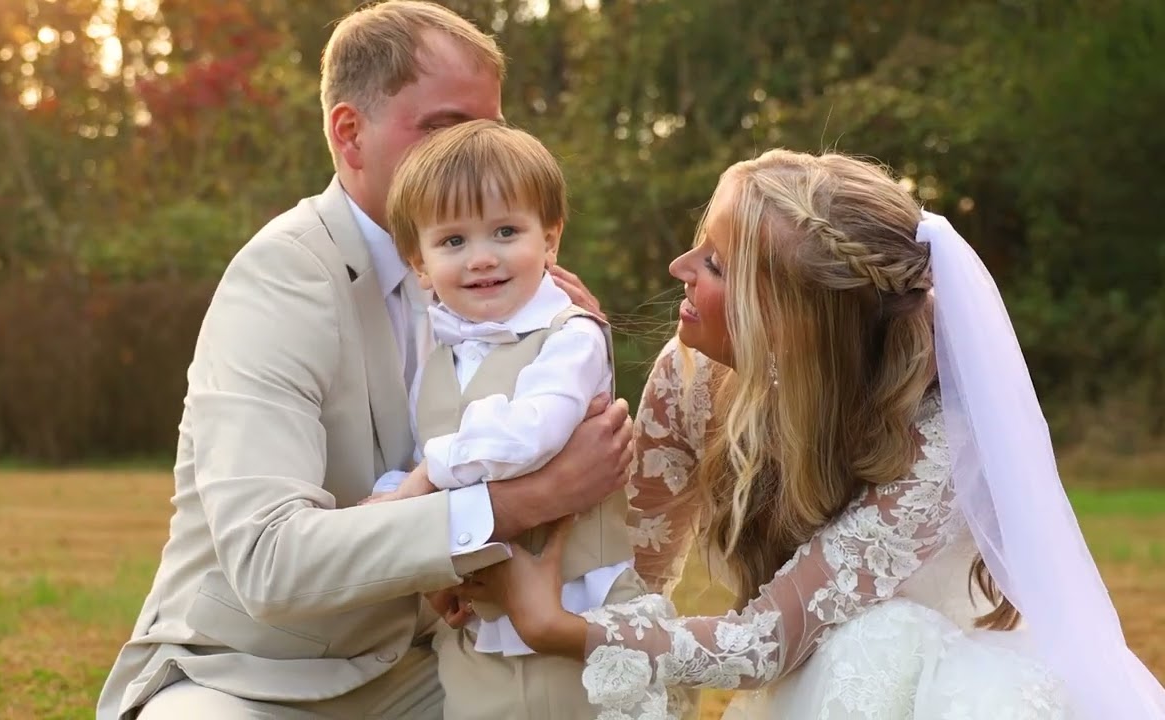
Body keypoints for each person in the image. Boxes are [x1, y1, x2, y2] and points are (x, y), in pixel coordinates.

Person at [461, 149, 1165, 719]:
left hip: (919, 695)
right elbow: (640, 575)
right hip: (793, 682)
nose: (679, 269)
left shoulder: (937, 445)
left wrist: (552, 625)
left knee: (876, 642)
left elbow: (768, 640)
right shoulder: (691, 378)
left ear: (786, 321)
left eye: (712, 266)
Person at [95, 3, 634, 719]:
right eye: (444, 127)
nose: (470, 152)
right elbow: (269, 560)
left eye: (489, 130)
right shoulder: (280, 279)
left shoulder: (495, 279)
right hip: (253, 674)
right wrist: (523, 501)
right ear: (350, 134)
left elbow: (557, 449)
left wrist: (579, 353)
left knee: (616, 700)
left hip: (430, 662)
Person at [360, 119, 649, 718]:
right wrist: (395, 505)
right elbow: (426, 449)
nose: (482, 258)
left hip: (574, 617)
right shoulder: (439, 358)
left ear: (550, 239)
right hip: (477, 632)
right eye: (453, 242)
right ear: (419, 263)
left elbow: (529, 437)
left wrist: (421, 487)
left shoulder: (571, 338)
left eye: (506, 231)